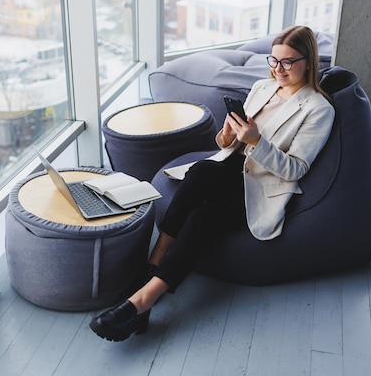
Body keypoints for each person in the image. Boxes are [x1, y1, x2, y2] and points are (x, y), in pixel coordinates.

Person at [90, 25, 336, 342]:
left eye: (287, 62)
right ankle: (154, 264)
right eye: (273, 61)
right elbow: (225, 147)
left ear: (309, 62)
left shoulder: (318, 109)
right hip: (234, 166)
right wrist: (228, 135)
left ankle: (143, 299)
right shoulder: (263, 87)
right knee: (201, 172)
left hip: (261, 184)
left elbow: (296, 169)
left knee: (203, 217)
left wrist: (256, 141)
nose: (277, 69)